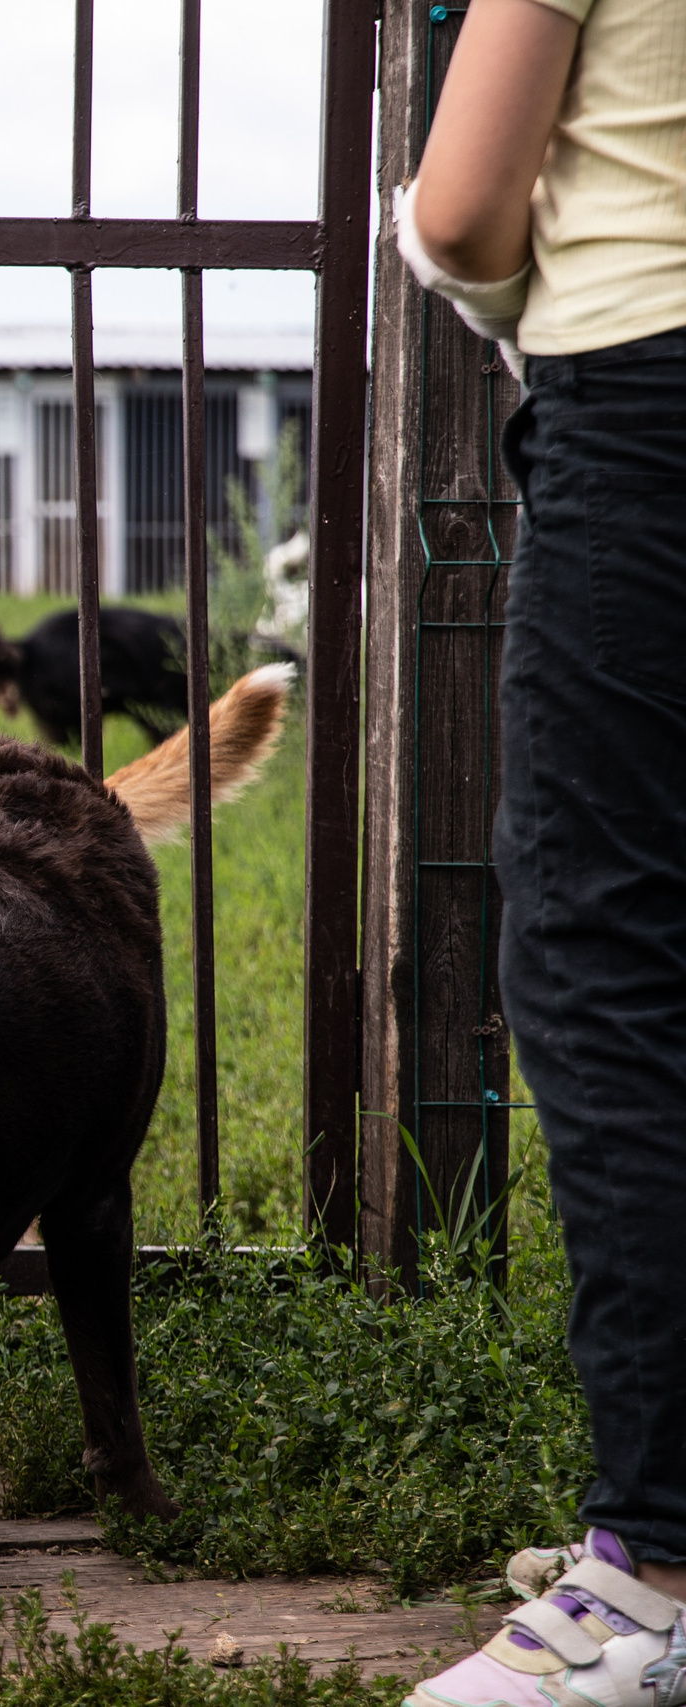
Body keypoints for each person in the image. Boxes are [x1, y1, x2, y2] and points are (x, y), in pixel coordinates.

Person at [394, 0, 686, 1703]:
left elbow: (460, 206)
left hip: (653, 398)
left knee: (608, 961)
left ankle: (659, 1575)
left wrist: (496, 295)